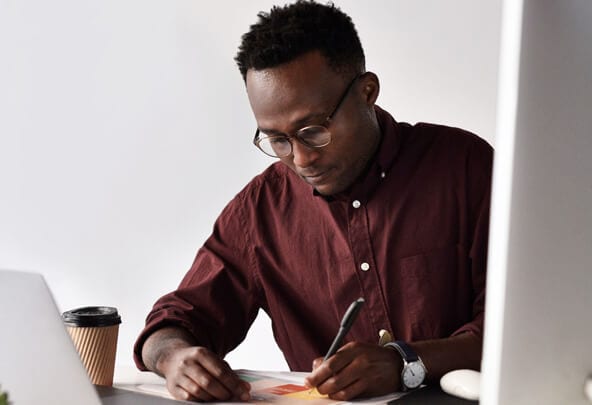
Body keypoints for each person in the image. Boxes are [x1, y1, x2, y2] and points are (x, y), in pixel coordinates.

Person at [134, 1, 492, 401]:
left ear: (367, 91)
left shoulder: (466, 169)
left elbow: (521, 326)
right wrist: (175, 358)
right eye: (277, 140)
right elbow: (174, 321)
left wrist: (406, 361)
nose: (301, 159)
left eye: (313, 131)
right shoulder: (260, 211)